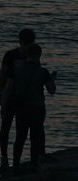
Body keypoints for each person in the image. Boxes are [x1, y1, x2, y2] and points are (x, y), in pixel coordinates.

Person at [10, 42, 56, 171]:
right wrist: (52, 79)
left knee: (20, 136)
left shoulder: (17, 70)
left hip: (21, 107)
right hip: (37, 107)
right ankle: (34, 163)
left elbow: (10, 88)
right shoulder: (43, 72)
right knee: (35, 135)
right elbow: (51, 90)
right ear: (39, 55)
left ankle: (15, 164)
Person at [0, 27, 36, 172]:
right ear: (20, 43)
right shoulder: (10, 56)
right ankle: (4, 158)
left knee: (21, 131)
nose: (27, 48)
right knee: (5, 127)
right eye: (26, 44)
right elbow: (3, 74)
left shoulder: (32, 56)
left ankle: (16, 161)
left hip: (23, 99)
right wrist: (1, 93)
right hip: (10, 96)